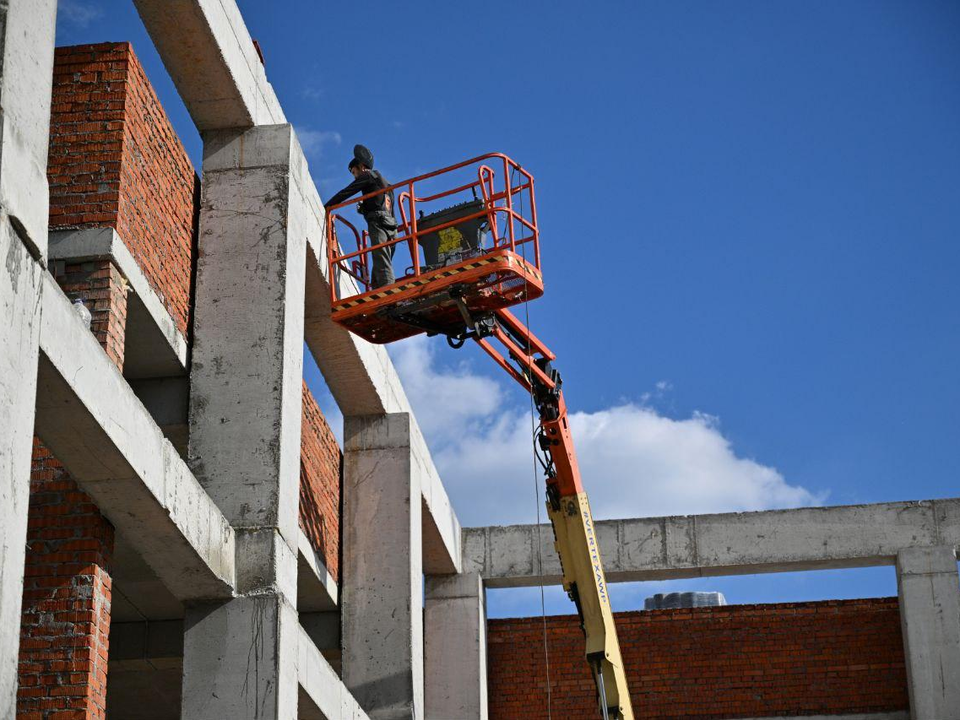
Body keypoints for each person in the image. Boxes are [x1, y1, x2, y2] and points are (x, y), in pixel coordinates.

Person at [324, 145, 398, 288]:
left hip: (378, 223)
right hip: (392, 227)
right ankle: (378, 295)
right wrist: (364, 208)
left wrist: (327, 207)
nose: (355, 176)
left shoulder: (367, 175)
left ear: (361, 166)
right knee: (380, 262)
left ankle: (389, 295)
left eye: (354, 172)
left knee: (381, 261)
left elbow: (346, 192)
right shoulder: (385, 184)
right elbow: (386, 207)